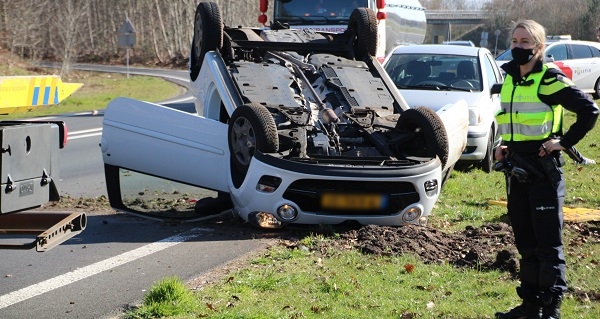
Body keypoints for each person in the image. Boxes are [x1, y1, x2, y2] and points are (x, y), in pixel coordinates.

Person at [493, 20, 599, 319]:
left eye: (525, 42)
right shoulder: (510, 78)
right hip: (516, 169)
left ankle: (550, 311)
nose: (518, 46)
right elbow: (511, 120)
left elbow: (589, 111)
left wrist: (563, 142)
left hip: (543, 171)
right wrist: (504, 145)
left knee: (547, 245)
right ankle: (529, 308)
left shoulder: (549, 79)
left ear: (539, 48)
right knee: (525, 243)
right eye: (514, 40)